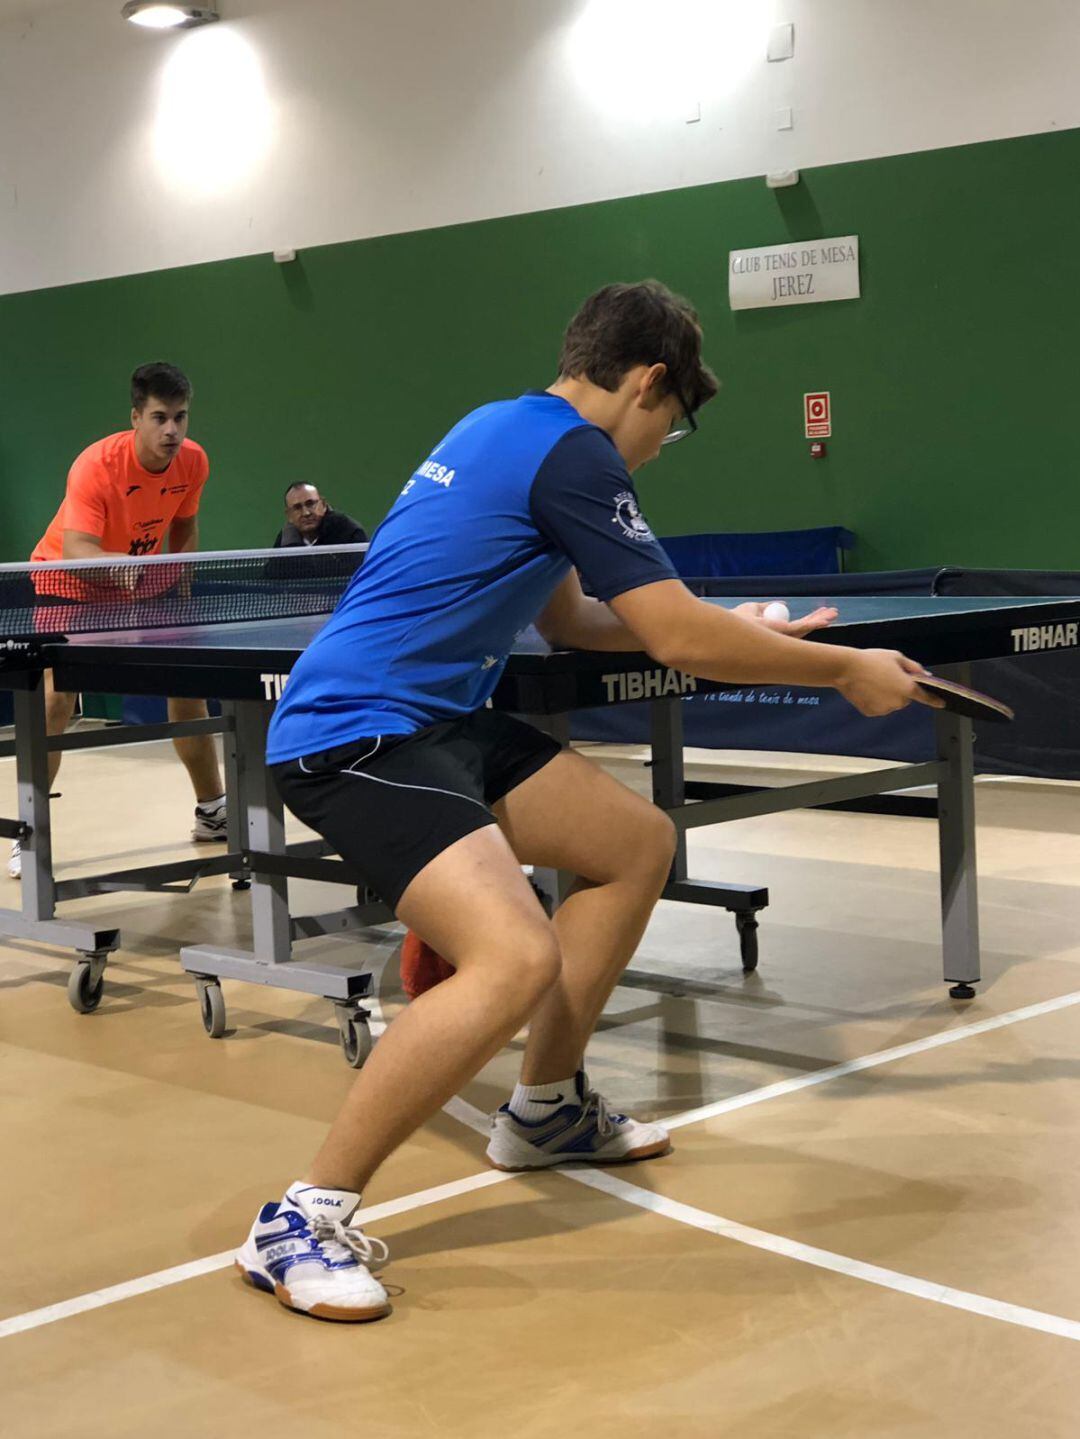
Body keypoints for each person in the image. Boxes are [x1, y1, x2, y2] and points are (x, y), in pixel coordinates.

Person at [235, 280, 939, 1323]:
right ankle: (299, 1217)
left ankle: (548, 1107)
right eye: (673, 424)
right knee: (514, 956)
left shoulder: (501, 426)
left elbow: (575, 622)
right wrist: (837, 667)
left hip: (440, 720)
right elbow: (679, 643)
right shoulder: (578, 454)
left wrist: (721, 618)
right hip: (354, 732)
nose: (660, 448)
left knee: (634, 842)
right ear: (650, 382)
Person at [10, 362, 227, 880]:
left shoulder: (193, 462)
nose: (172, 430)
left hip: (146, 584)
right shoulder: (96, 466)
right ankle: (30, 830)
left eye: (181, 417)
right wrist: (121, 567)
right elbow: (76, 547)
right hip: (69, 584)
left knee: (188, 690)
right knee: (56, 700)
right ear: (136, 417)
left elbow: (185, 524)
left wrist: (180, 584)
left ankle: (212, 812)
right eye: (159, 417)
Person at [272, 484, 367, 548]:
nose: (306, 513)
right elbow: (272, 575)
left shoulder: (348, 531)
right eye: (297, 508)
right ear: (289, 516)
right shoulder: (286, 539)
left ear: (324, 505)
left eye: (310, 504)